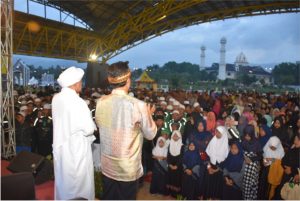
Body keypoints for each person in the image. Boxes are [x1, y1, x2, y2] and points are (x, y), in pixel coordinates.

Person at [95, 61, 157, 200]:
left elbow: (100, 125)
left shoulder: (100, 102)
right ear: (128, 80)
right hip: (127, 168)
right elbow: (150, 134)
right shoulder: (138, 105)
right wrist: (149, 116)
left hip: (108, 165)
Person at [52, 66, 97, 200]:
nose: (82, 84)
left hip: (61, 148)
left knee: (63, 181)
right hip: (76, 149)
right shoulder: (78, 102)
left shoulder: (56, 98)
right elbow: (89, 128)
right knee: (79, 185)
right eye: (81, 82)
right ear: (75, 83)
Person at [204, 126, 229, 199]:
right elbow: (207, 157)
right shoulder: (212, 141)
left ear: (223, 134)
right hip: (210, 168)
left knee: (216, 190)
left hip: (219, 171)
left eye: (219, 132)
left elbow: (225, 161)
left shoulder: (225, 146)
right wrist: (209, 168)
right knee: (209, 187)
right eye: (216, 131)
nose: (217, 134)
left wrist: (216, 170)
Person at [242, 125, 262, 200]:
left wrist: (251, 159)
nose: (247, 137)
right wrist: (244, 157)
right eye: (245, 135)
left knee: (251, 186)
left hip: (252, 168)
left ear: (252, 134)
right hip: (244, 168)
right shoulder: (243, 141)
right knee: (244, 186)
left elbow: (260, 155)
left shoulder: (257, 143)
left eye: (248, 135)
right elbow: (241, 151)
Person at [167, 130, 184, 197]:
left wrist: (177, 166)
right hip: (170, 165)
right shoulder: (170, 145)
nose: (175, 137)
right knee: (170, 179)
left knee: (177, 180)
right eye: (174, 135)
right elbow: (168, 155)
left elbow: (181, 157)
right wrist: (170, 164)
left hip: (178, 167)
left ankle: (176, 194)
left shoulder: (182, 146)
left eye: (177, 136)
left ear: (179, 137)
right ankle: (169, 192)